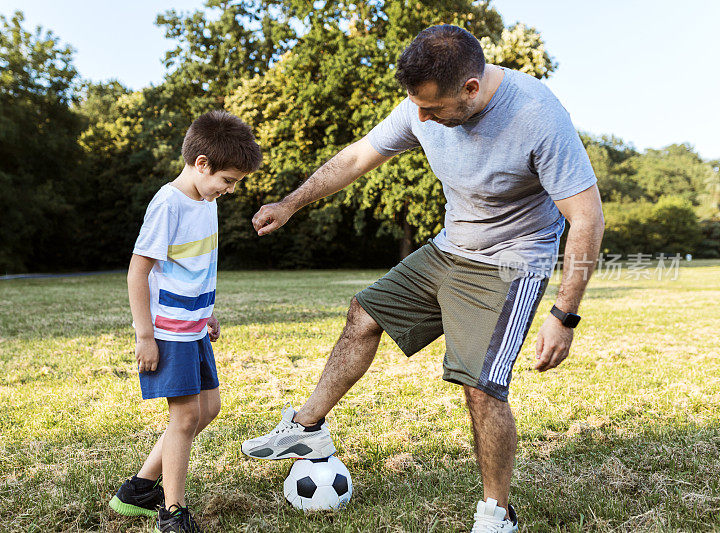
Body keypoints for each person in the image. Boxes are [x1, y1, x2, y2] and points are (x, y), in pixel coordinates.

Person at [242, 25, 604, 532]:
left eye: (432, 109)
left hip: (511, 261)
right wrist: (291, 203)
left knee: (481, 387)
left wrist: (565, 316)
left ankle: (498, 513)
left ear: (471, 89)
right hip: (450, 246)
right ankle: (307, 428)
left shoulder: (538, 116)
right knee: (364, 314)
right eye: (416, 107)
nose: (422, 119)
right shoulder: (421, 106)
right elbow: (358, 155)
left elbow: (587, 218)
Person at [109, 110, 262, 533]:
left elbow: (195, 266)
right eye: (227, 180)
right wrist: (144, 336)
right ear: (201, 164)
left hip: (193, 327)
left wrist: (206, 311)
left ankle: (138, 489)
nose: (229, 190)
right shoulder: (168, 203)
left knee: (208, 409)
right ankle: (171, 512)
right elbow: (137, 272)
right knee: (184, 420)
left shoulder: (205, 200)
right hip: (166, 332)